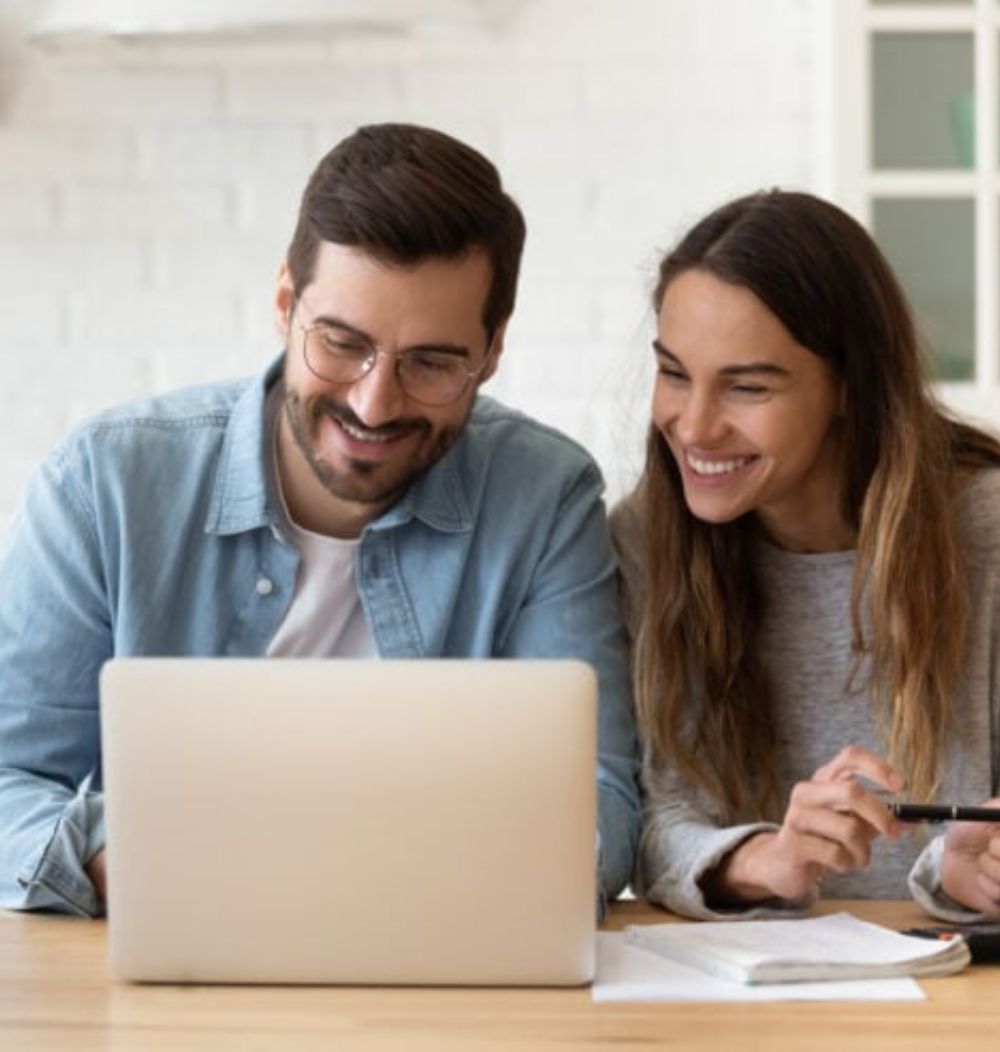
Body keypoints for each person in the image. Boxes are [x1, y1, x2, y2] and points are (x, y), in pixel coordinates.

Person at [0, 123, 641, 918]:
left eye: (432, 363)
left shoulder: (545, 496)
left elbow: (598, 794)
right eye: (343, 344)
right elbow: (7, 773)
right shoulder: (105, 483)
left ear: (494, 349)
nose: (375, 403)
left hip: (439, 960)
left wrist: (505, 877)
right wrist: (117, 859)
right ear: (283, 304)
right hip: (173, 963)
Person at [612, 189, 1000, 922]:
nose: (693, 425)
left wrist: (963, 873)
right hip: (739, 999)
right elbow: (653, 819)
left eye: (747, 387)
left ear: (851, 387)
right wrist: (768, 859)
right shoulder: (646, 541)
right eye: (673, 373)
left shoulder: (987, 533)